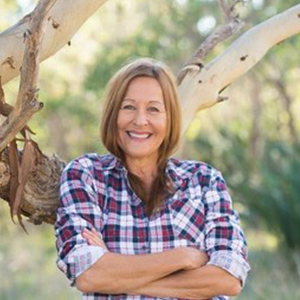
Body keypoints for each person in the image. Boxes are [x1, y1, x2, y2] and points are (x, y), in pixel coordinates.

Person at [55, 58, 250, 300]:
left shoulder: (204, 180)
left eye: (154, 109)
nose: (139, 120)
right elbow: (88, 275)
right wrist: (183, 257)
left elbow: (229, 279)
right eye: (128, 107)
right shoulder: (86, 175)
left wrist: (117, 275)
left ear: (170, 120)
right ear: (112, 114)